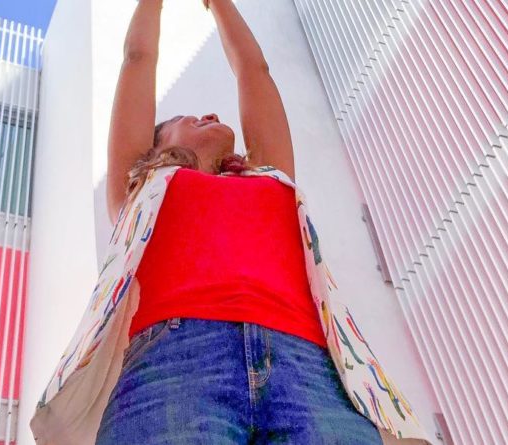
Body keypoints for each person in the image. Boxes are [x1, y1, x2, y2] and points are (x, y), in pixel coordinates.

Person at [96, 0, 386, 443]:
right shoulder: (139, 188)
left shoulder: (270, 176)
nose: (211, 115)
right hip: (175, 367)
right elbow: (138, 57)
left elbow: (255, 70)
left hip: (308, 366)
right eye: (190, 119)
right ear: (156, 148)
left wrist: (218, 3)